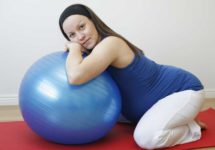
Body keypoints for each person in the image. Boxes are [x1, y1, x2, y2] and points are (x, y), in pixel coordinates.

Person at [59, 4, 206, 149]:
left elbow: (75, 76)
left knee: (146, 139)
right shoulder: (93, 53)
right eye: (72, 35)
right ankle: (178, 117)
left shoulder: (110, 43)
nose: (80, 36)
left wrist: (74, 48)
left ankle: (191, 128)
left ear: (93, 21)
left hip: (182, 90)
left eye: (82, 27)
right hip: (150, 104)